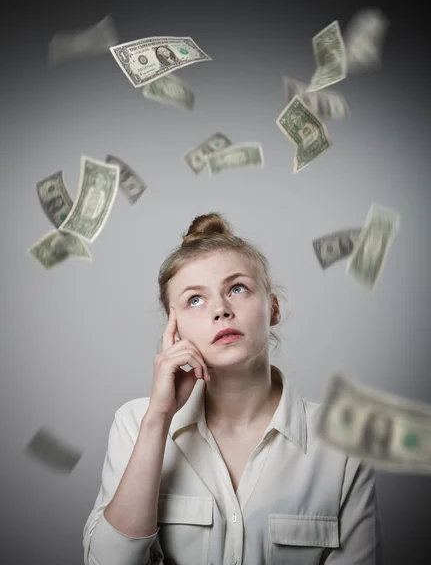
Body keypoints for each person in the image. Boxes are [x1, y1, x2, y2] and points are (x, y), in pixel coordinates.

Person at [83, 212, 382, 565]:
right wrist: (158, 421)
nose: (221, 310)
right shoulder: (135, 423)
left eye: (237, 289)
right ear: (174, 332)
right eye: (196, 299)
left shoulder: (341, 446)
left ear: (273, 308)